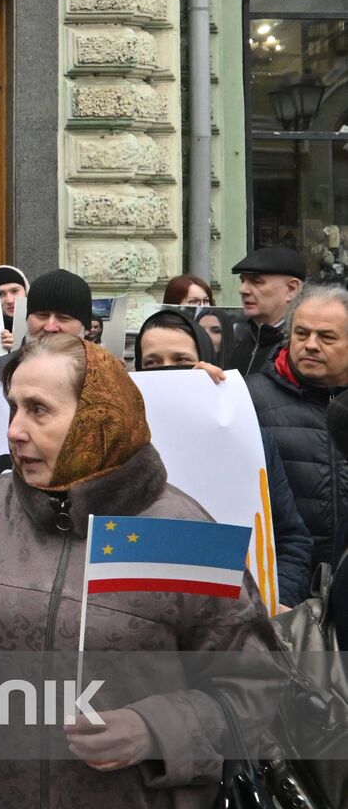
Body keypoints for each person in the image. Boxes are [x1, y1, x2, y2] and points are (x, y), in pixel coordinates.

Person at [0, 332, 280, 809]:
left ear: (97, 418)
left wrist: (153, 730)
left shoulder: (182, 533)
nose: (14, 430)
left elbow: (262, 691)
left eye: (38, 410)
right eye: (13, 407)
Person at [134, 309, 313, 605]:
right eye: (152, 363)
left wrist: (276, 604)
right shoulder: (119, 443)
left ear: (206, 361)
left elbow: (291, 540)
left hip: (240, 613)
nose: (167, 372)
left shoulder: (248, 438)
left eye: (182, 361)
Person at [246, 284, 348, 570]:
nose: (311, 345)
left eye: (327, 336)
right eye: (301, 333)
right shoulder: (249, 399)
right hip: (284, 582)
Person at [0, 268, 91, 383]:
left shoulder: (102, 377)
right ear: (27, 319)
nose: (50, 327)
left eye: (63, 318)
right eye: (42, 316)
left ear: (86, 328)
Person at [229, 246, 305, 375]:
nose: (242, 290)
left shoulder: (302, 349)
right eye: (243, 280)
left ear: (291, 289)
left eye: (256, 282)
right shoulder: (242, 345)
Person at [0, 264, 29, 350]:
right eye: (0, 294)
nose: (9, 300)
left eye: (14, 291)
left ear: (26, 292)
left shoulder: (41, 323)